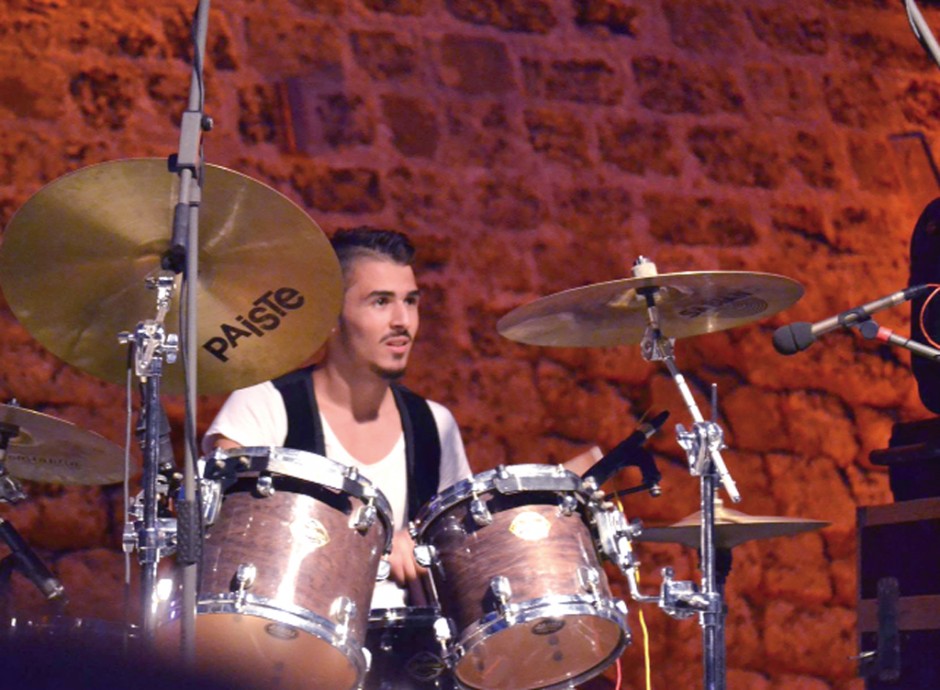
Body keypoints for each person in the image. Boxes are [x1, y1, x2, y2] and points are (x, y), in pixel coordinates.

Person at [202, 227, 472, 608]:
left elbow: (463, 552)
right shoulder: (264, 405)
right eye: (381, 302)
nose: (403, 320)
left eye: (410, 301)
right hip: (289, 634)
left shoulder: (434, 423)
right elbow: (225, 527)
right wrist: (375, 539)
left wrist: (429, 545)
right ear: (330, 312)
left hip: (411, 640)